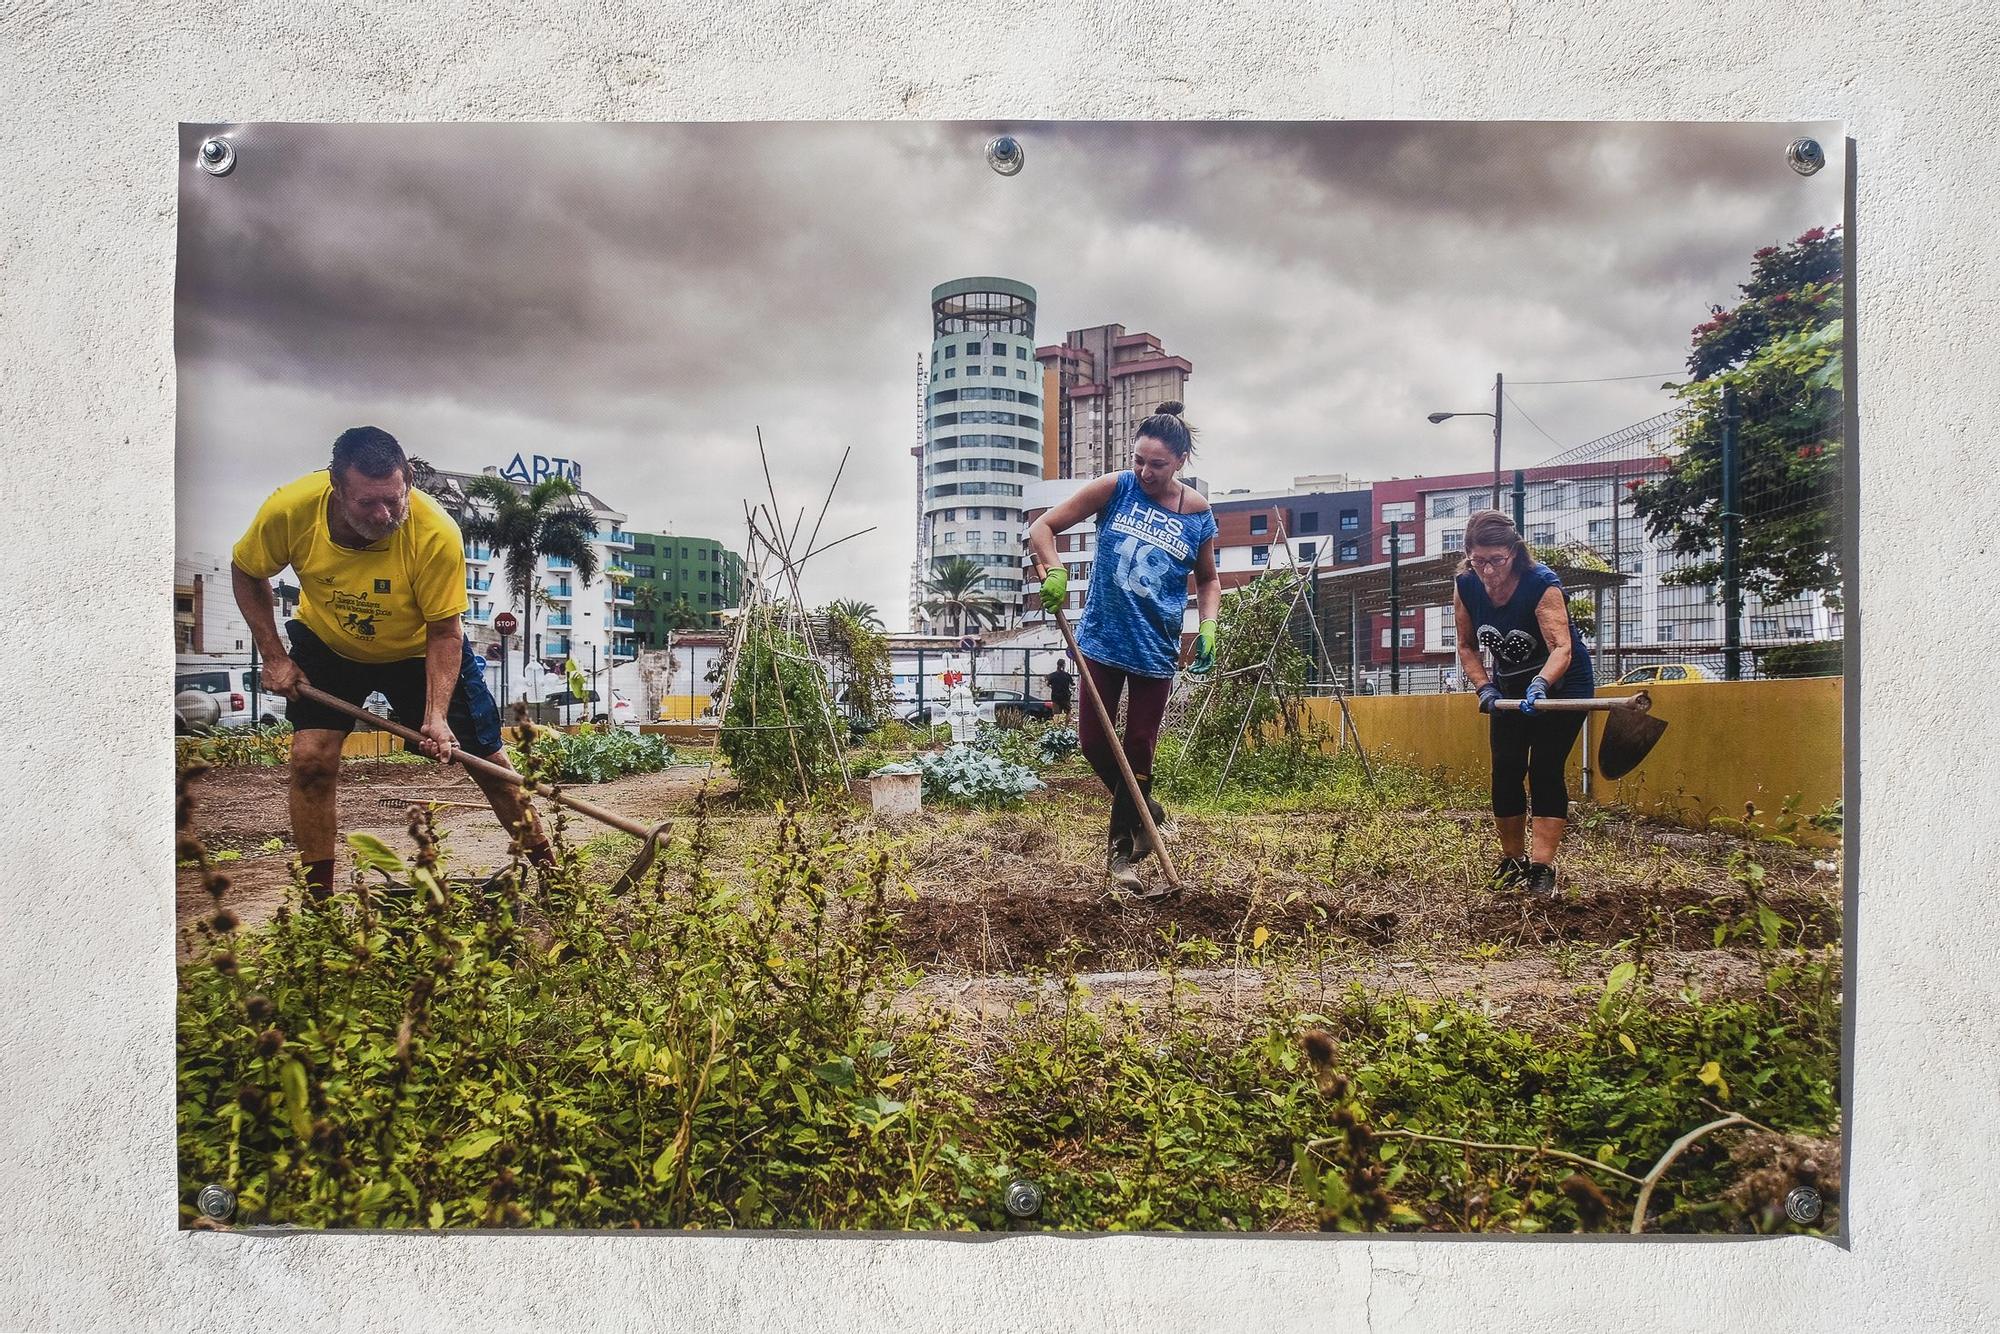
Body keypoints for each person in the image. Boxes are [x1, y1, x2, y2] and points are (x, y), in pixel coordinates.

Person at [231, 426, 554, 900]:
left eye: (394, 499)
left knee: (489, 764)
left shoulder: (435, 532)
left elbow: (445, 632)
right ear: (336, 489)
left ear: (407, 484)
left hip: (419, 649)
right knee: (310, 761)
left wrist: (437, 717)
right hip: (330, 643)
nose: (384, 514)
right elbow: (247, 571)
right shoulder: (289, 511)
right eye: (367, 503)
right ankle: (320, 909)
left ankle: (554, 877)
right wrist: (274, 656)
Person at [1025, 402, 1220, 896]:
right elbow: (1042, 529)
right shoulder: (1117, 487)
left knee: (1138, 751)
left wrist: (1209, 626)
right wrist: (1053, 571)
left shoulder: (1197, 513)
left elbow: (1209, 578)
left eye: (1156, 464)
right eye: (1139, 460)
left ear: (1179, 462)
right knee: (1094, 744)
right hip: (1102, 640)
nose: (1144, 471)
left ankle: (1122, 856)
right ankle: (1147, 813)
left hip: (1156, 648)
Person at [1451, 509, 1595, 898]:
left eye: (1496, 560)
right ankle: (1512, 861)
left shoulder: (1541, 583)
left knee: (1545, 768)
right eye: (1479, 560)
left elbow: (1562, 647)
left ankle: (1541, 868)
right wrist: (1485, 688)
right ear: (1469, 554)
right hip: (1509, 687)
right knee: (1506, 768)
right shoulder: (1466, 584)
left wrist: (1541, 684)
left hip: (1564, 683)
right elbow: (1466, 645)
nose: (1489, 570)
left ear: (1514, 552)